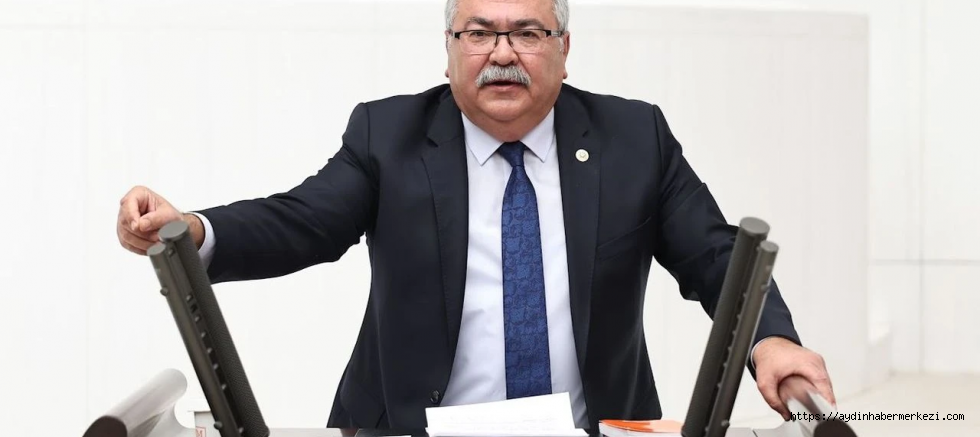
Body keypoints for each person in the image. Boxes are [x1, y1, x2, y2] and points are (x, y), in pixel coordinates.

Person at [116, 0, 835, 431]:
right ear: (450, 48)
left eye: (527, 32)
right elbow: (303, 221)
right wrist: (193, 230)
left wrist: (770, 340)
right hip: (414, 429)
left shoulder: (632, 138)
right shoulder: (388, 135)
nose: (502, 54)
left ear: (563, 48)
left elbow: (714, 253)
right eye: (479, 32)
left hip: (588, 428)